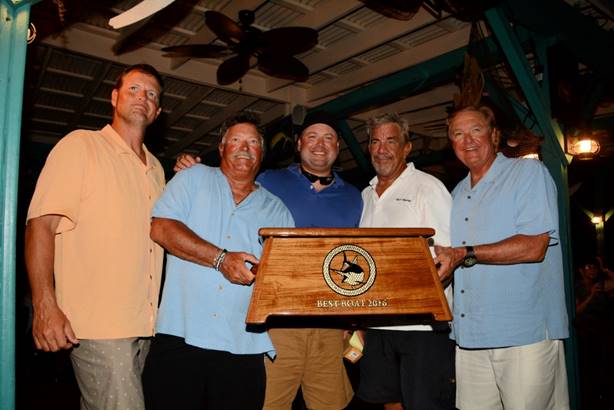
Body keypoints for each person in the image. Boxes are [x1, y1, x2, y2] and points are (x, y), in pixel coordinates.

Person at [173, 111, 361, 410]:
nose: (320, 145)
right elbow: (230, 177)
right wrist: (192, 165)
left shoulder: (355, 196)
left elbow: (355, 261)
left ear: (339, 146)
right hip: (277, 321)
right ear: (298, 144)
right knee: (269, 403)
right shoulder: (268, 180)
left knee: (331, 404)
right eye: (312, 136)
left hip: (329, 321)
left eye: (328, 138)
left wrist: (353, 318)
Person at [25, 64, 165, 410]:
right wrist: (44, 305)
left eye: (151, 95)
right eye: (133, 89)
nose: (141, 98)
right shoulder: (81, 145)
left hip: (145, 324)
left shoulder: (157, 169)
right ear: (114, 97)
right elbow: (40, 224)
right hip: (99, 324)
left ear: (158, 112)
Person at [141, 114, 294, 410]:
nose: (244, 148)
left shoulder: (277, 209)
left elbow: (282, 276)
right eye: (235, 140)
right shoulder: (193, 177)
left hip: (243, 343)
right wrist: (221, 260)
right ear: (221, 148)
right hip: (181, 334)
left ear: (262, 154)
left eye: (253, 143)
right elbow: (161, 229)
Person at [434, 105, 570, 409]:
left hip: (524, 334)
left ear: (495, 136)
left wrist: (464, 253)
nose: (467, 140)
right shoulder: (455, 194)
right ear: (451, 143)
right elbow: (447, 257)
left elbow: (534, 246)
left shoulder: (527, 173)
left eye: (476, 130)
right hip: (470, 336)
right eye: (457, 133)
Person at [356, 113, 455, 410]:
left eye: (391, 141)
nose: (382, 149)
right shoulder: (365, 194)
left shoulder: (429, 187)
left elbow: (447, 256)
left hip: (421, 326)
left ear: (406, 148)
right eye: (375, 141)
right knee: (388, 402)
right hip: (377, 324)